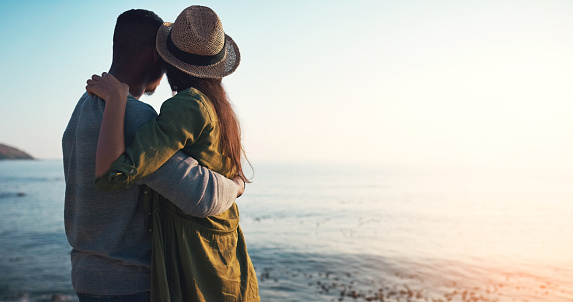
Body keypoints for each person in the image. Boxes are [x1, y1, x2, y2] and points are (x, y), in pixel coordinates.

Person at [62, 9, 244, 302]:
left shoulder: (82, 107)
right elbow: (201, 194)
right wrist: (237, 185)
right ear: (157, 56)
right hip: (131, 283)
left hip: (87, 278)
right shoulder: (133, 116)